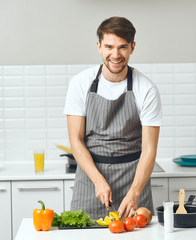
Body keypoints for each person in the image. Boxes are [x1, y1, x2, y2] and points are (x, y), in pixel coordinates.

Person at [63, 16, 162, 220]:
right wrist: (98, 180)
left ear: (132, 47)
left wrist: (135, 192)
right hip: (91, 179)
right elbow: (76, 140)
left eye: (122, 47)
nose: (115, 55)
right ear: (99, 46)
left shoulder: (147, 89)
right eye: (109, 46)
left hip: (133, 180)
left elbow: (150, 149)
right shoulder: (80, 83)